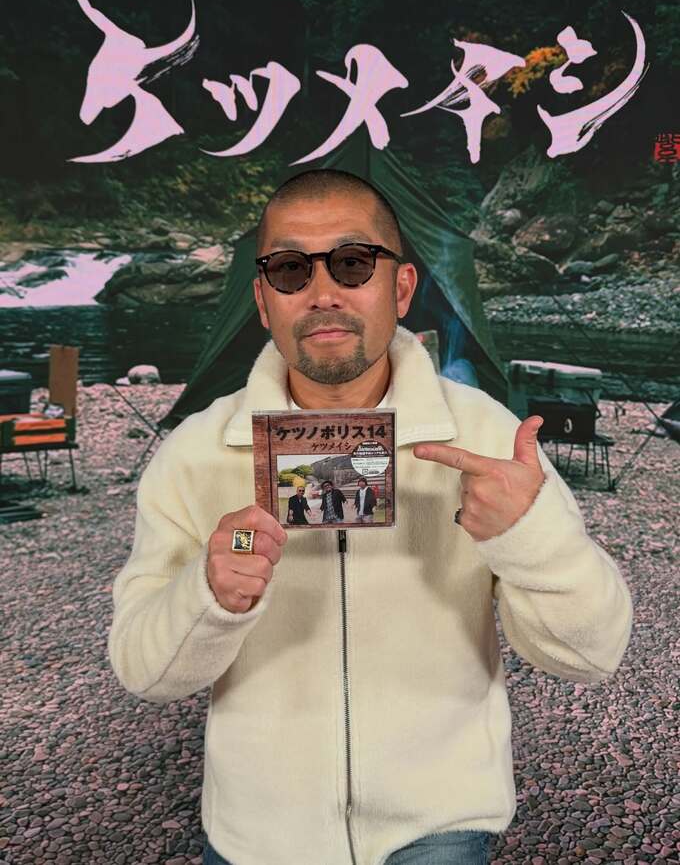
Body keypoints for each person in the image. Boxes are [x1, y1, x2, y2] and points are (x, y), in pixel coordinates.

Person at [108, 169, 634, 865]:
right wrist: (208, 595)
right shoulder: (195, 452)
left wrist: (530, 537)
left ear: (402, 288)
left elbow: (593, 656)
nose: (323, 292)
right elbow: (143, 671)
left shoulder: (486, 438)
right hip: (255, 832)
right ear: (263, 300)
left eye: (353, 263)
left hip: (439, 824)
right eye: (290, 269)